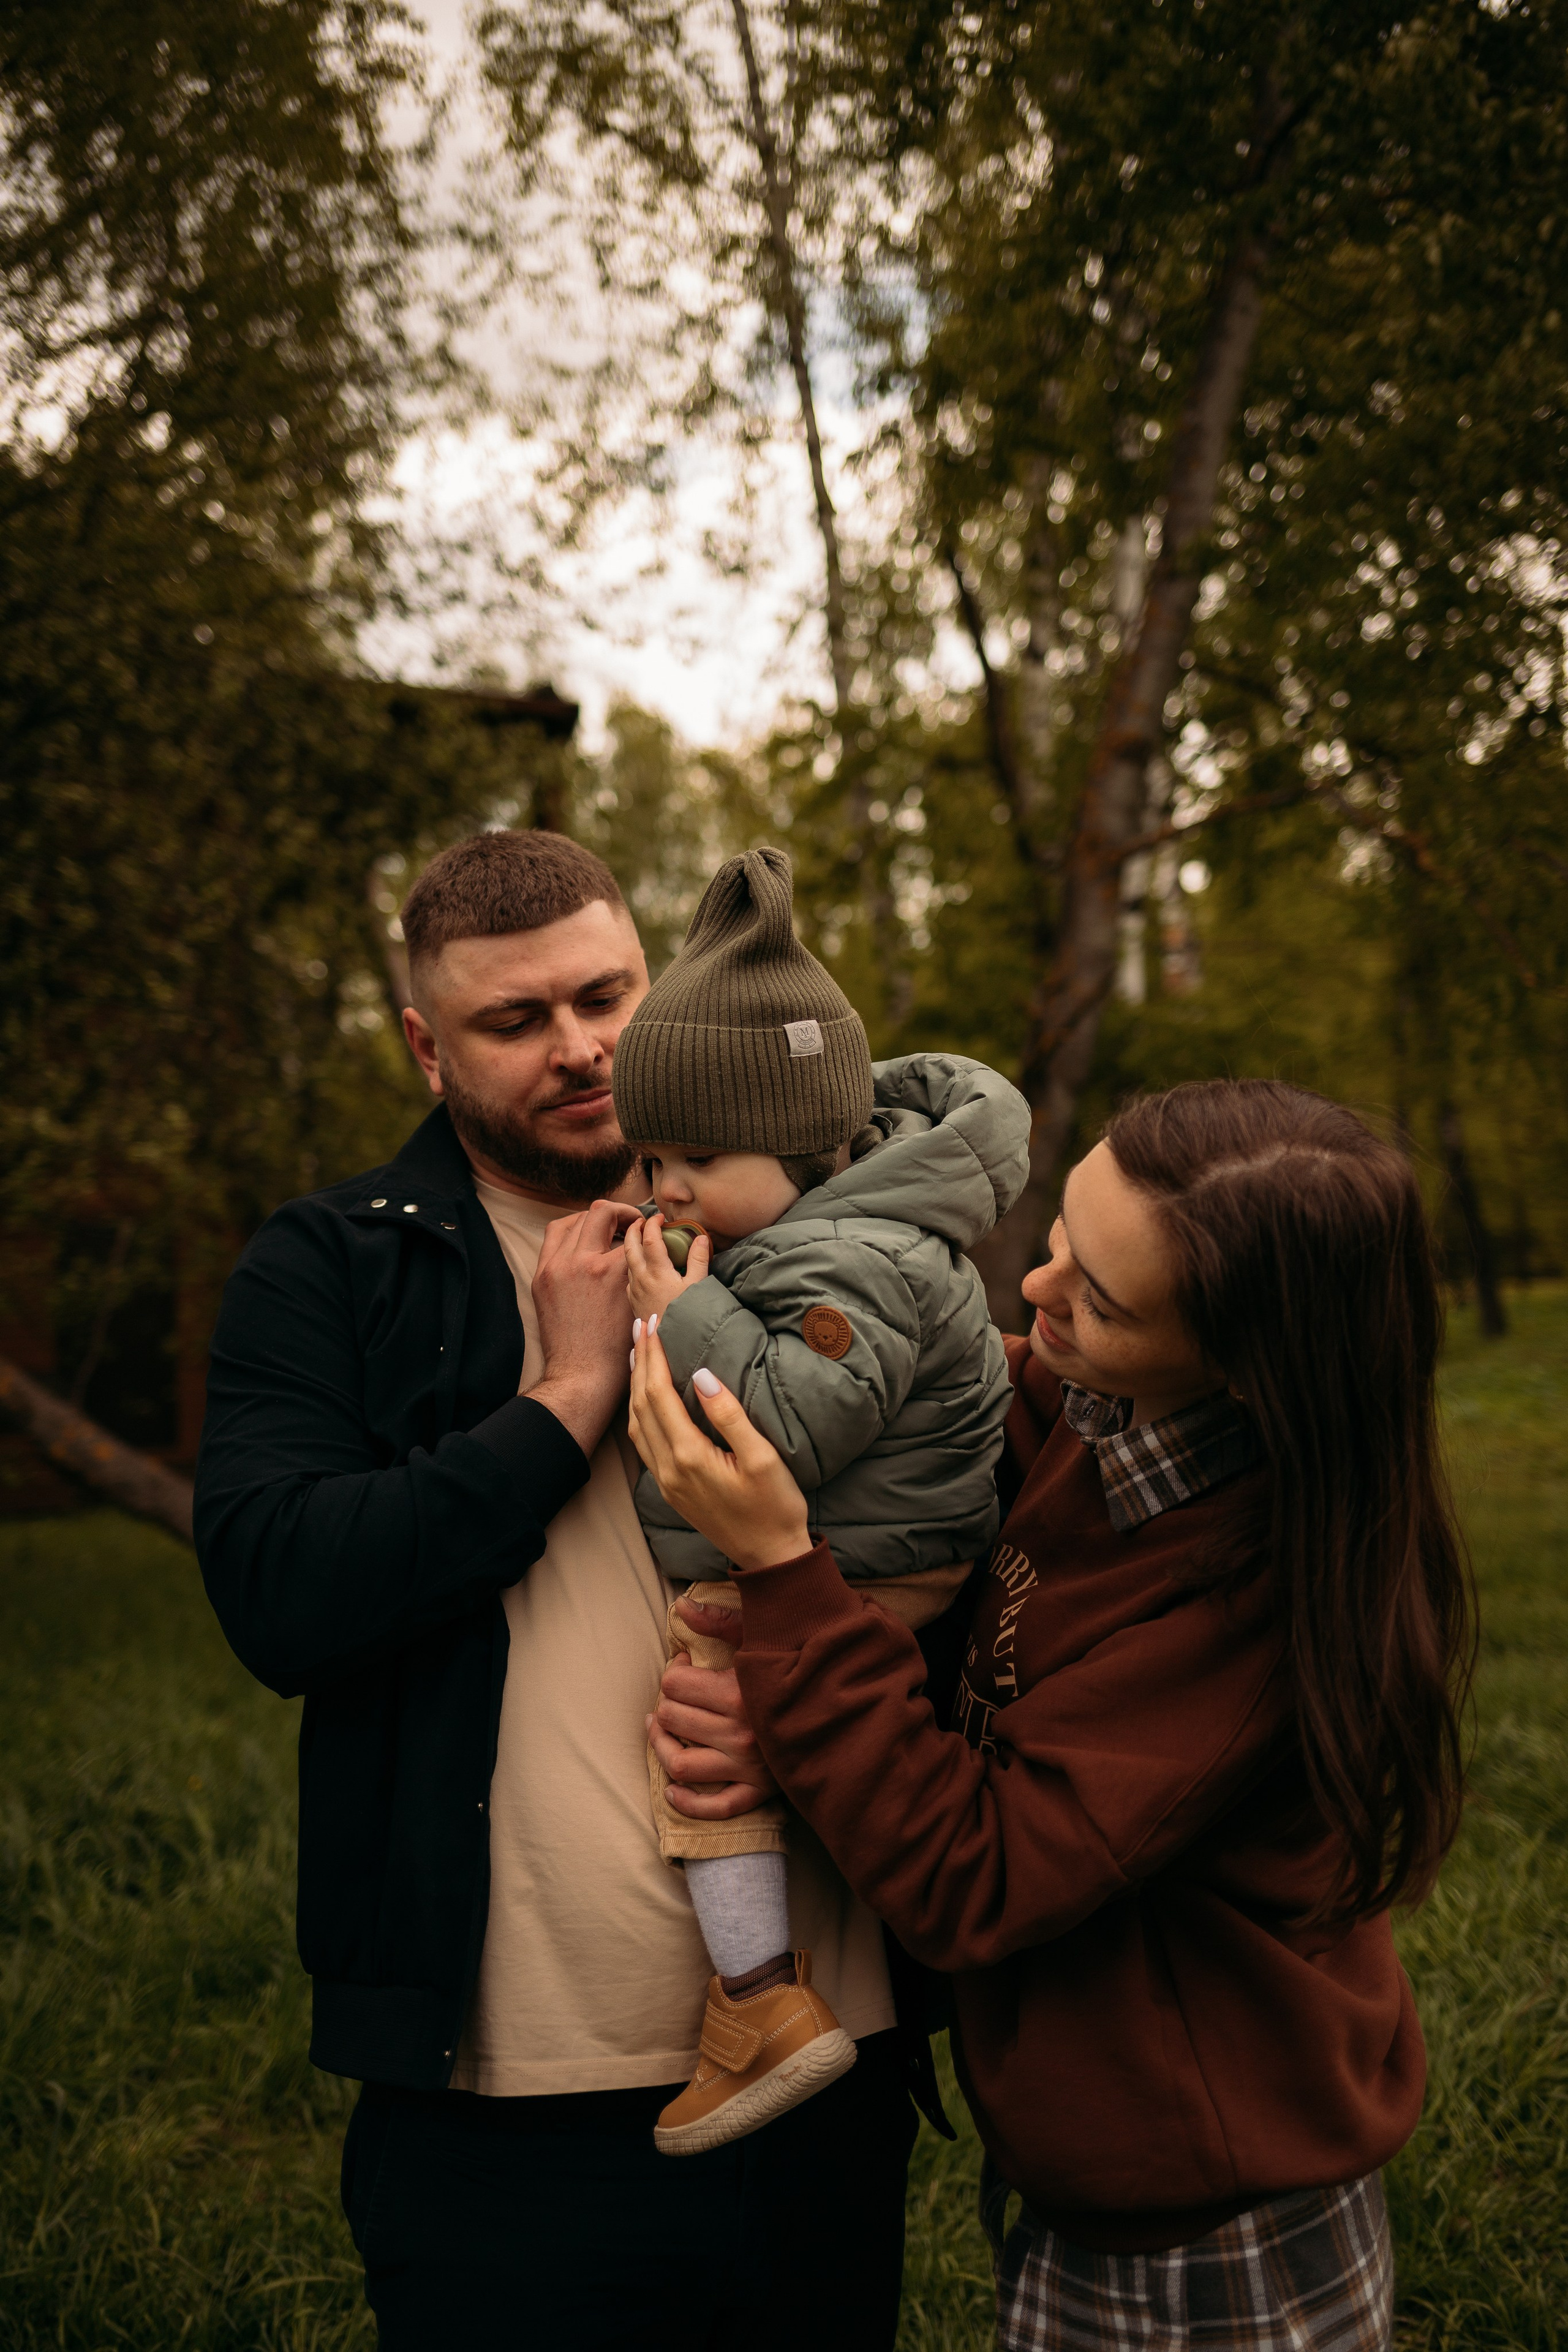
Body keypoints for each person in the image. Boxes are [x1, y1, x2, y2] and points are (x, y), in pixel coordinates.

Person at [194, 828, 919, 2351]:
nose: (579, 1048)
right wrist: (567, 1397)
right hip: (505, 2092)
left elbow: (953, 1524)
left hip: (823, 2055)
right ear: (426, 1047)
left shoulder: (823, 1219)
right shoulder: (334, 1265)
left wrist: (827, 1697)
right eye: (514, 1020)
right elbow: (278, 1592)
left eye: (604, 997)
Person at [631, 1079, 1475, 2351]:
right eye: (1064, 1235)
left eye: (1104, 1300)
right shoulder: (1101, 1414)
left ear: (1251, 1368)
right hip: (1096, 2157)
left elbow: (971, 1876)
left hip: (1202, 2233)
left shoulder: (1247, 1611)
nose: (1035, 1289)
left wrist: (783, 1574)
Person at [605, 845, 1028, 2154]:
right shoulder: (822, 1231)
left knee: (704, 1711)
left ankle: (757, 2005)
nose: (666, 1189)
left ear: (805, 1148)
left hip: (877, 1559)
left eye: (696, 1157)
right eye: (649, 1157)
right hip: (879, 1540)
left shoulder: (855, 1260)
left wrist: (681, 1315)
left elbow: (786, 1430)